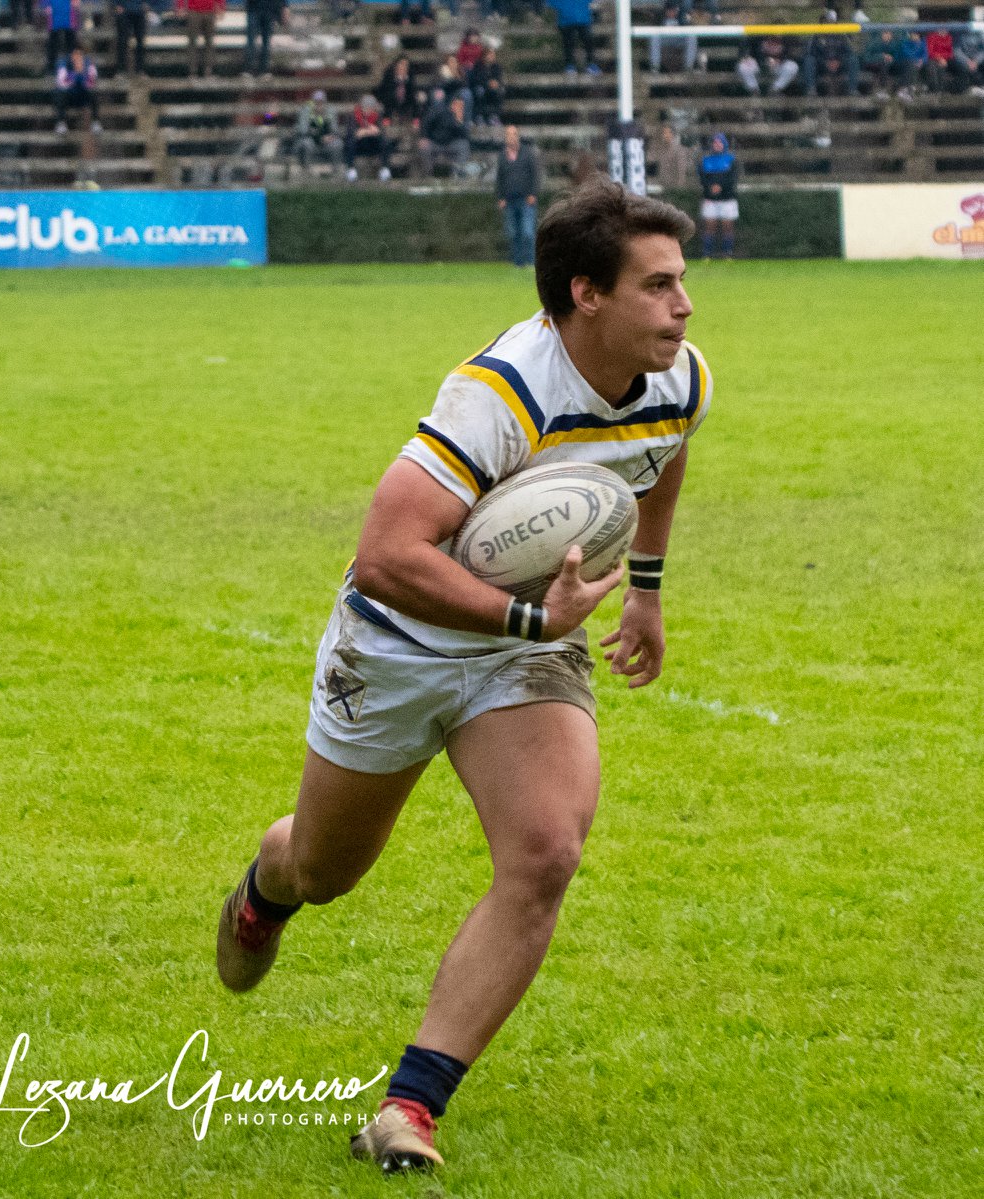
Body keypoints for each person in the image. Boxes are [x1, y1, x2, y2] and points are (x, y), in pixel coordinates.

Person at [216, 179, 709, 1176]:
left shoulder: (678, 377)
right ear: (586, 294)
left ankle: (409, 1105)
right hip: (398, 643)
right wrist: (528, 612)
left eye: (681, 281)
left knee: (546, 850)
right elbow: (383, 556)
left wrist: (646, 592)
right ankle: (272, 879)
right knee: (327, 870)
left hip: (524, 649)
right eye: (657, 286)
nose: (684, 306)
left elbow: (659, 459)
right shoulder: (499, 394)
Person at [495, 124, 540, 267]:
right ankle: (517, 262)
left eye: (513, 134)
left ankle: (531, 261)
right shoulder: (502, 156)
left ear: (518, 136)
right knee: (513, 233)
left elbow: (535, 174)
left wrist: (533, 193)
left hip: (526, 199)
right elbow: (499, 178)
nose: (511, 137)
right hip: (509, 200)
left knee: (527, 232)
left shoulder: (527, 153)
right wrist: (500, 197)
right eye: (508, 135)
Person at [697, 131, 737, 258]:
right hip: (710, 199)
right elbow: (703, 179)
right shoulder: (705, 161)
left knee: (727, 226)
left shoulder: (731, 160)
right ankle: (706, 254)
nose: (717, 145)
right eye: (715, 142)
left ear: (724, 144)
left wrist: (720, 187)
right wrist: (711, 187)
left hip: (727, 199)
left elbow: (732, 178)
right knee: (709, 226)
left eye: (720, 142)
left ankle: (728, 253)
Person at [417, 93, 470, 178]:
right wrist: (424, 137)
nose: (458, 106)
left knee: (464, 146)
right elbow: (426, 122)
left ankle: (456, 174)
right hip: (435, 143)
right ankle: (428, 175)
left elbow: (464, 135)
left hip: (451, 144)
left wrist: (459, 122)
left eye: (461, 105)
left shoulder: (462, 116)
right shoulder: (439, 110)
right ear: (452, 103)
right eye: (457, 104)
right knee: (424, 148)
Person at [344, 93, 393, 181]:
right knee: (350, 143)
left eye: (370, 107)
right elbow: (354, 133)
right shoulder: (353, 116)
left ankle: (384, 168)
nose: (368, 110)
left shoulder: (377, 116)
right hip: (359, 146)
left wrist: (368, 131)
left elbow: (379, 131)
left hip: (373, 145)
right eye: (366, 107)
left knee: (385, 142)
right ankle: (351, 169)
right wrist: (368, 131)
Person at [294, 90, 343, 172]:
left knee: (338, 143)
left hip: (326, 142)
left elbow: (334, 130)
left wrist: (331, 137)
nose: (319, 105)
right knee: (306, 143)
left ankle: (336, 171)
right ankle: (306, 170)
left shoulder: (330, 111)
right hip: (311, 141)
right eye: (316, 102)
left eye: (321, 102)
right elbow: (303, 130)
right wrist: (320, 138)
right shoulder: (306, 111)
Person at [736, 33, 800, 96]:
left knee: (792, 66)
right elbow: (749, 49)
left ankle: (775, 90)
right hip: (758, 65)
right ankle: (754, 90)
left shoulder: (786, 38)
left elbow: (789, 55)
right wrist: (762, 61)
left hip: (778, 66)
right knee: (743, 65)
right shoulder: (757, 36)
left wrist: (779, 60)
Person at [53, 46, 100, 132]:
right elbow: (61, 83)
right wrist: (75, 75)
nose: (77, 58)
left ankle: (96, 122)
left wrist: (82, 75)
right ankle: (61, 123)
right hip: (69, 96)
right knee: (60, 94)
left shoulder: (88, 64)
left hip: (82, 96)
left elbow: (92, 83)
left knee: (93, 94)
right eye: (75, 55)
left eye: (79, 55)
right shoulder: (64, 64)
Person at [549, 0, 598, 75]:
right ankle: (570, 65)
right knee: (569, 42)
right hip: (567, 20)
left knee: (587, 41)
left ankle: (590, 64)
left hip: (582, 18)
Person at [181, 0, 223, 79]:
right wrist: (180, 6)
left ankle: (208, 71)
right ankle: (192, 71)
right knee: (192, 42)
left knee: (209, 42)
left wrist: (220, 6)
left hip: (210, 11)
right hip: (193, 11)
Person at [649, 122, 692, 197]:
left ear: (672, 134)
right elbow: (650, 159)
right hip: (662, 187)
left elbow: (681, 172)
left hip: (673, 190)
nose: (664, 135)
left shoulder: (679, 150)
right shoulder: (661, 149)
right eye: (663, 133)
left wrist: (679, 190)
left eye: (666, 133)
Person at [111, 0, 154, 74]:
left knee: (140, 42)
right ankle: (121, 70)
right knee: (122, 42)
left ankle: (140, 70)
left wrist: (147, 4)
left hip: (139, 11)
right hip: (124, 11)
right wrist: (116, 5)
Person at [244, 0, 283, 77]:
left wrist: (284, 6)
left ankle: (264, 69)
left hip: (269, 9)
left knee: (266, 41)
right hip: (253, 8)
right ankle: (249, 69)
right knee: (251, 40)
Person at [469, 46, 505, 125]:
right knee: (479, 91)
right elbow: (476, 79)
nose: (492, 57)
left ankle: (494, 115)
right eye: (490, 55)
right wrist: (488, 83)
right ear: (484, 56)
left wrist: (496, 83)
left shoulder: (497, 66)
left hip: (492, 88)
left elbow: (499, 78)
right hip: (481, 86)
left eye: (493, 55)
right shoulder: (478, 66)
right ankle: (479, 116)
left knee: (500, 91)